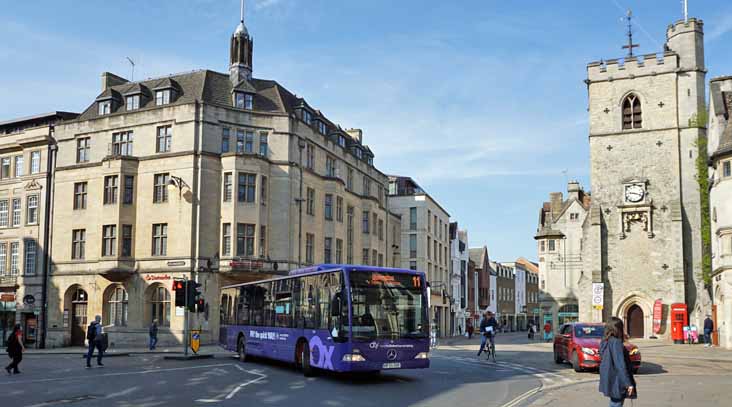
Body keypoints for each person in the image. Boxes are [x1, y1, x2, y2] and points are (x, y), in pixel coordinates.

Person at [599, 317, 637, 407]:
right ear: (617, 328)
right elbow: (620, 365)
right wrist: (628, 384)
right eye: (622, 327)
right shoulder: (616, 342)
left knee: (614, 402)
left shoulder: (605, 340)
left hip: (609, 378)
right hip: (617, 380)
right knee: (616, 403)